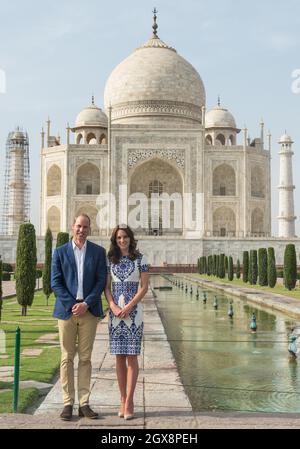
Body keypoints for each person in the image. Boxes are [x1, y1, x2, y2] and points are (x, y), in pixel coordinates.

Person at [51, 214, 106, 421]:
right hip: (67, 311)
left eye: (85, 227)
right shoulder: (59, 252)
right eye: (78, 226)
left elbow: (100, 281)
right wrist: (72, 304)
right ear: (72, 227)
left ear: (89, 229)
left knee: (85, 358)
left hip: (89, 311)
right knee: (66, 357)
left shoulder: (98, 252)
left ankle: (84, 403)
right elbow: (56, 282)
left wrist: (86, 304)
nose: (82, 230)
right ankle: (67, 403)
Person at [105, 224, 149, 420]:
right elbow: (106, 288)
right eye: (118, 238)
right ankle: (122, 399)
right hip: (115, 315)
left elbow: (145, 287)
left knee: (132, 357)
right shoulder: (110, 260)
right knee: (119, 358)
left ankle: (130, 401)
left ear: (131, 238)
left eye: (125, 237)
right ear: (115, 240)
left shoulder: (141, 259)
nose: (122, 240)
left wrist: (130, 306)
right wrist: (113, 306)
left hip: (133, 313)